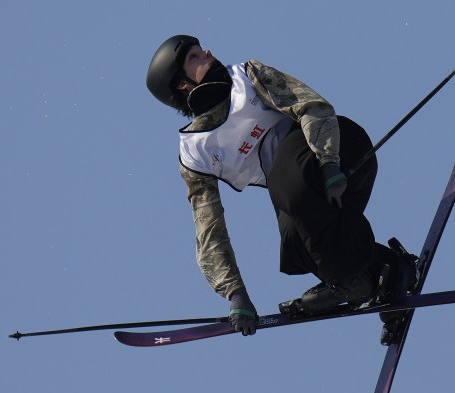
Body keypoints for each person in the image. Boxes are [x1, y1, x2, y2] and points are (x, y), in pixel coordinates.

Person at [145, 35, 415, 339]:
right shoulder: (196, 152)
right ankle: (383, 275)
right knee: (296, 243)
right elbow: (209, 228)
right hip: (308, 195)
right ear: (182, 84)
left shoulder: (247, 77)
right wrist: (235, 292)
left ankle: (360, 278)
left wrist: (328, 162)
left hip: (342, 151)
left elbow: (311, 105)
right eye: (195, 56)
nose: (208, 52)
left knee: (287, 182)